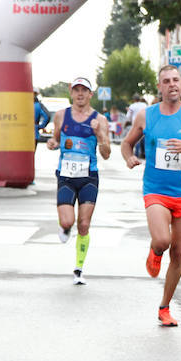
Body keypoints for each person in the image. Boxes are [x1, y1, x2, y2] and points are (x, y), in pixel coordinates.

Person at [121, 65, 181, 327]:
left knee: (179, 253)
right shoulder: (147, 116)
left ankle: (165, 307)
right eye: (166, 81)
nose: (172, 84)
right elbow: (126, 143)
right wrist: (130, 158)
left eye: (176, 80)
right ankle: (155, 250)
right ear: (159, 86)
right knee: (162, 240)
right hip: (156, 189)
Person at [46, 77, 111, 285]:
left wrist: (99, 134)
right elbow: (56, 138)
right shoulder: (61, 115)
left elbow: (107, 153)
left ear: (91, 94)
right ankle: (64, 227)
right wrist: (53, 143)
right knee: (68, 221)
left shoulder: (99, 120)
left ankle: (78, 268)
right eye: (77, 90)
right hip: (66, 175)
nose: (80, 94)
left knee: (84, 225)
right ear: (71, 93)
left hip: (88, 177)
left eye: (85, 90)